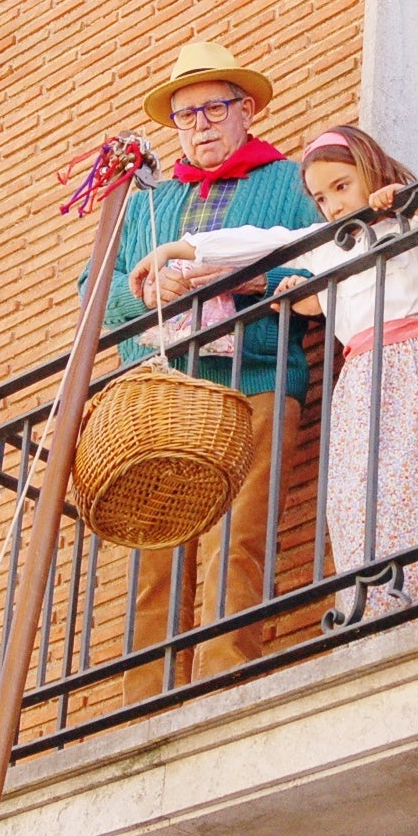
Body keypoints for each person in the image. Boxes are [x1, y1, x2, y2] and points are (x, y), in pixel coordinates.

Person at [131, 126, 418, 621]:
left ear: (371, 171)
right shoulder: (327, 248)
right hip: (359, 381)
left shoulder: (403, 225)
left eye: (342, 186)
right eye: (322, 197)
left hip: (413, 366)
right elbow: (262, 242)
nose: (334, 206)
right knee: (356, 499)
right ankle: (381, 604)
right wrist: (178, 251)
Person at [80, 40, 321, 704]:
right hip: (161, 396)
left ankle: (220, 687)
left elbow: (324, 261)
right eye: (186, 116)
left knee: (237, 537)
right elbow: (93, 292)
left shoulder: (289, 181)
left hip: (257, 382)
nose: (201, 126)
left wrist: (242, 280)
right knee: (152, 554)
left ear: (246, 110)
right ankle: (142, 707)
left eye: (215, 109)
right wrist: (148, 290)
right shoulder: (144, 203)